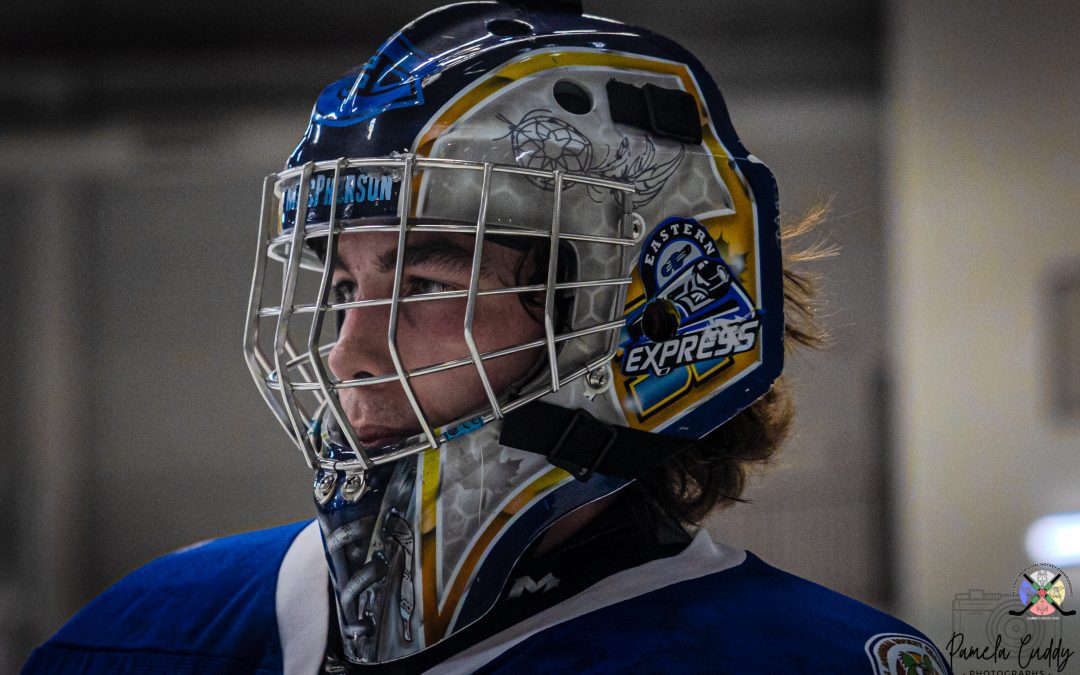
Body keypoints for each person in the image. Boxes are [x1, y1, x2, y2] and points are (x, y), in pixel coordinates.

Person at [24, 1, 951, 673]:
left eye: (424, 282)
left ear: (626, 320)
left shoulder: (799, 660)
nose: (347, 352)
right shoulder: (148, 630)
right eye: (344, 286)